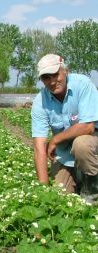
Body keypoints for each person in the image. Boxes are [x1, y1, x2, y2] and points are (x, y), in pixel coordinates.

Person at [31, 53, 98, 199]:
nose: (52, 81)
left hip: (92, 144)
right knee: (58, 197)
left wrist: (55, 140)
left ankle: (93, 194)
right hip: (65, 156)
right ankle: (80, 180)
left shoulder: (83, 84)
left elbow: (88, 127)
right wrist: (43, 190)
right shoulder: (40, 102)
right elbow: (39, 146)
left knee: (82, 145)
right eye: (46, 78)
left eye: (55, 75)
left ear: (65, 71)